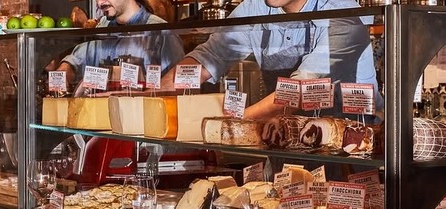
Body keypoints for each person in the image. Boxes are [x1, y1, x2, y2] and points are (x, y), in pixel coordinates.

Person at [167, 0, 381, 120]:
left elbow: (300, 90)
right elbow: (211, 57)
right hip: (284, 141)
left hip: (349, 149)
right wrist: (152, 91)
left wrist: (232, 122)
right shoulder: (254, 9)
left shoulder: (344, 12)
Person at [56, 0, 185, 95]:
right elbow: (75, 60)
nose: (100, 4)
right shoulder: (102, 29)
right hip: (101, 124)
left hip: (142, 125)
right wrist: (64, 71)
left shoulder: (162, 33)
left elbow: (178, 89)